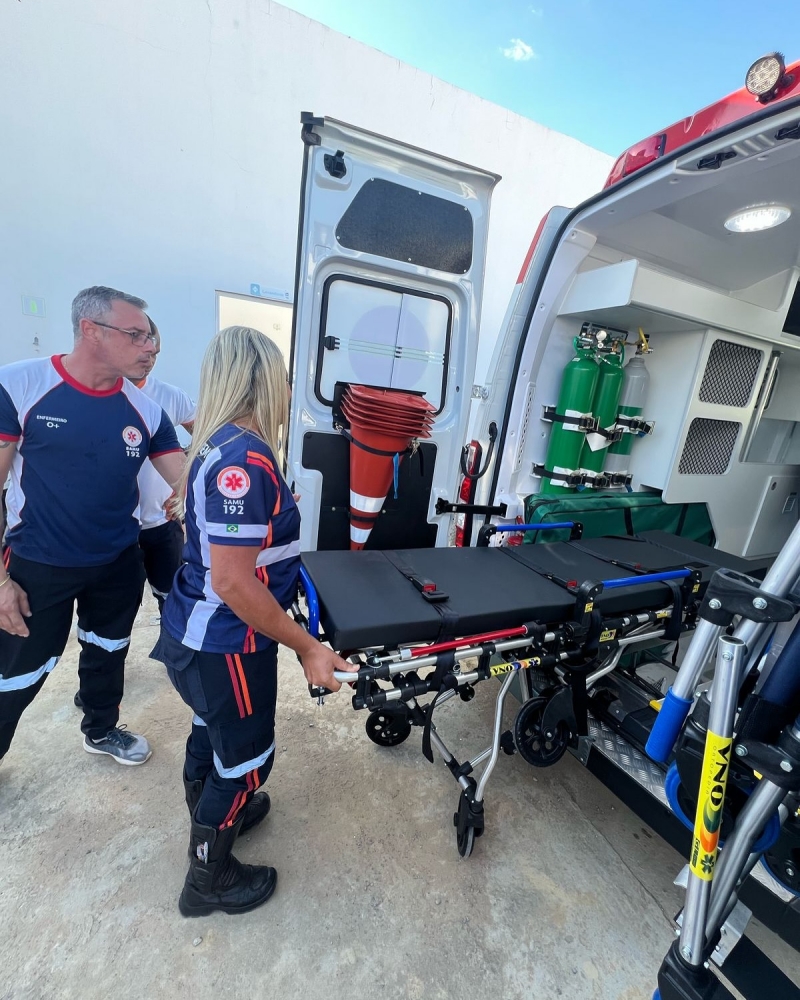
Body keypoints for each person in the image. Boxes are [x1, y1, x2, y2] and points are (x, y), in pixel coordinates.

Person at [151, 326, 355, 917]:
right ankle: (208, 878)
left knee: (210, 733)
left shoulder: (218, 444)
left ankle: (212, 814)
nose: (289, 391)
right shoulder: (243, 460)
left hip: (199, 635)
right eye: (285, 379)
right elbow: (234, 583)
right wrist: (308, 647)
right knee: (248, 762)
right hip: (226, 643)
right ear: (260, 380)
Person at [0, 286, 185, 767]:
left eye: (150, 338)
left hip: (118, 563)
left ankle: (101, 730)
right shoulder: (19, 386)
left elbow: (186, 480)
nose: (149, 346)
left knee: (108, 651)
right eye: (136, 335)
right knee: (19, 672)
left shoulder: (147, 411)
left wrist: (258, 494)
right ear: (91, 330)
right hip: (39, 565)